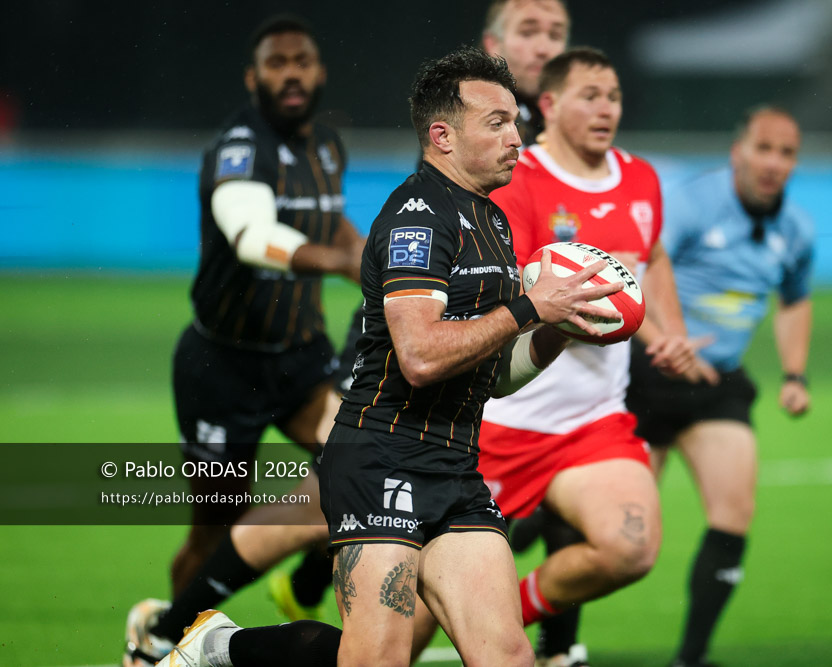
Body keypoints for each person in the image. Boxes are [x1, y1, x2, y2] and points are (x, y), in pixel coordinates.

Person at [154, 45, 625, 667]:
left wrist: (560, 329)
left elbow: (494, 378)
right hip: (380, 459)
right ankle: (220, 649)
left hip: (455, 467)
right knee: (375, 659)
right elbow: (422, 358)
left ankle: (217, 644)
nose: (519, 135)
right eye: (498, 123)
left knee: (507, 656)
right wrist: (532, 307)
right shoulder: (416, 218)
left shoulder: (492, 221)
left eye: (516, 120)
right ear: (443, 136)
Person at [410, 47, 701, 667]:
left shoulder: (641, 179)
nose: (606, 108)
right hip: (499, 425)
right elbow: (489, 292)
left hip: (590, 424)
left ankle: (507, 612)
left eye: (615, 96)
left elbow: (646, 267)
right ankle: (222, 648)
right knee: (400, 636)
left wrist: (665, 332)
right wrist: (549, 303)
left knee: (631, 547)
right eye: (590, 95)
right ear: (550, 104)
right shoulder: (516, 179)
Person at [124, 14, 363, 667]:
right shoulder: (239, 146)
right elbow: (250, 235)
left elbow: (328, 215)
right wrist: (342, 264)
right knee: (214, 529)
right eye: (277, 61)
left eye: (303, 59)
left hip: (301, 360)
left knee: (360, 465)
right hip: (222, 368)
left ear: (319, 70)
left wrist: (369, 260)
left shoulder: (327, 144)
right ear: (253, 76)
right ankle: (166, 641)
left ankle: (307, 581)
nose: (292, 72)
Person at [625, 106, 813, 667]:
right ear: (738, 151)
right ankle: (559, 648)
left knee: (734, 514)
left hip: (719, 384)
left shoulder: (796, 229)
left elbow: (795, 300)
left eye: (786, 152)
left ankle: (692, 658)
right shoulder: (690, 204)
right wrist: (665, 342)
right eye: (764, 147)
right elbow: (636, 273)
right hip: (648, 378)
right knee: (617, 535)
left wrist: (795, 374)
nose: (773, 162)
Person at [482, 0, 569, 146]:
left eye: (555, 36)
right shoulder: (462, 119)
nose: (543, 50)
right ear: (493, 44)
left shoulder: (579, 123)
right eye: (527, 33)